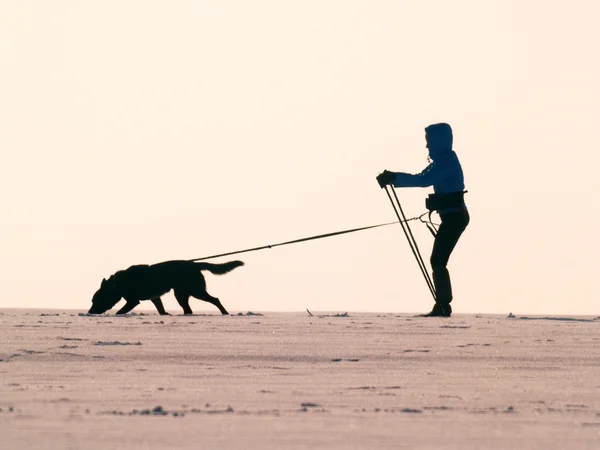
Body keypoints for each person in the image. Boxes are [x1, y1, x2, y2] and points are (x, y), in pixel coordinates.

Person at [376, 123, 469, 317]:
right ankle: (442, 304)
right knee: (438, 259)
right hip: (453, 217)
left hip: (454, 218)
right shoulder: (445, 160)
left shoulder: (446, 161)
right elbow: (424, 178)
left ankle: (443, 305)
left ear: (438, 141)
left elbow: (422, 180)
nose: (427, 146)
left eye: (429, 141)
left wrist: (394, 177)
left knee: (437, 259)